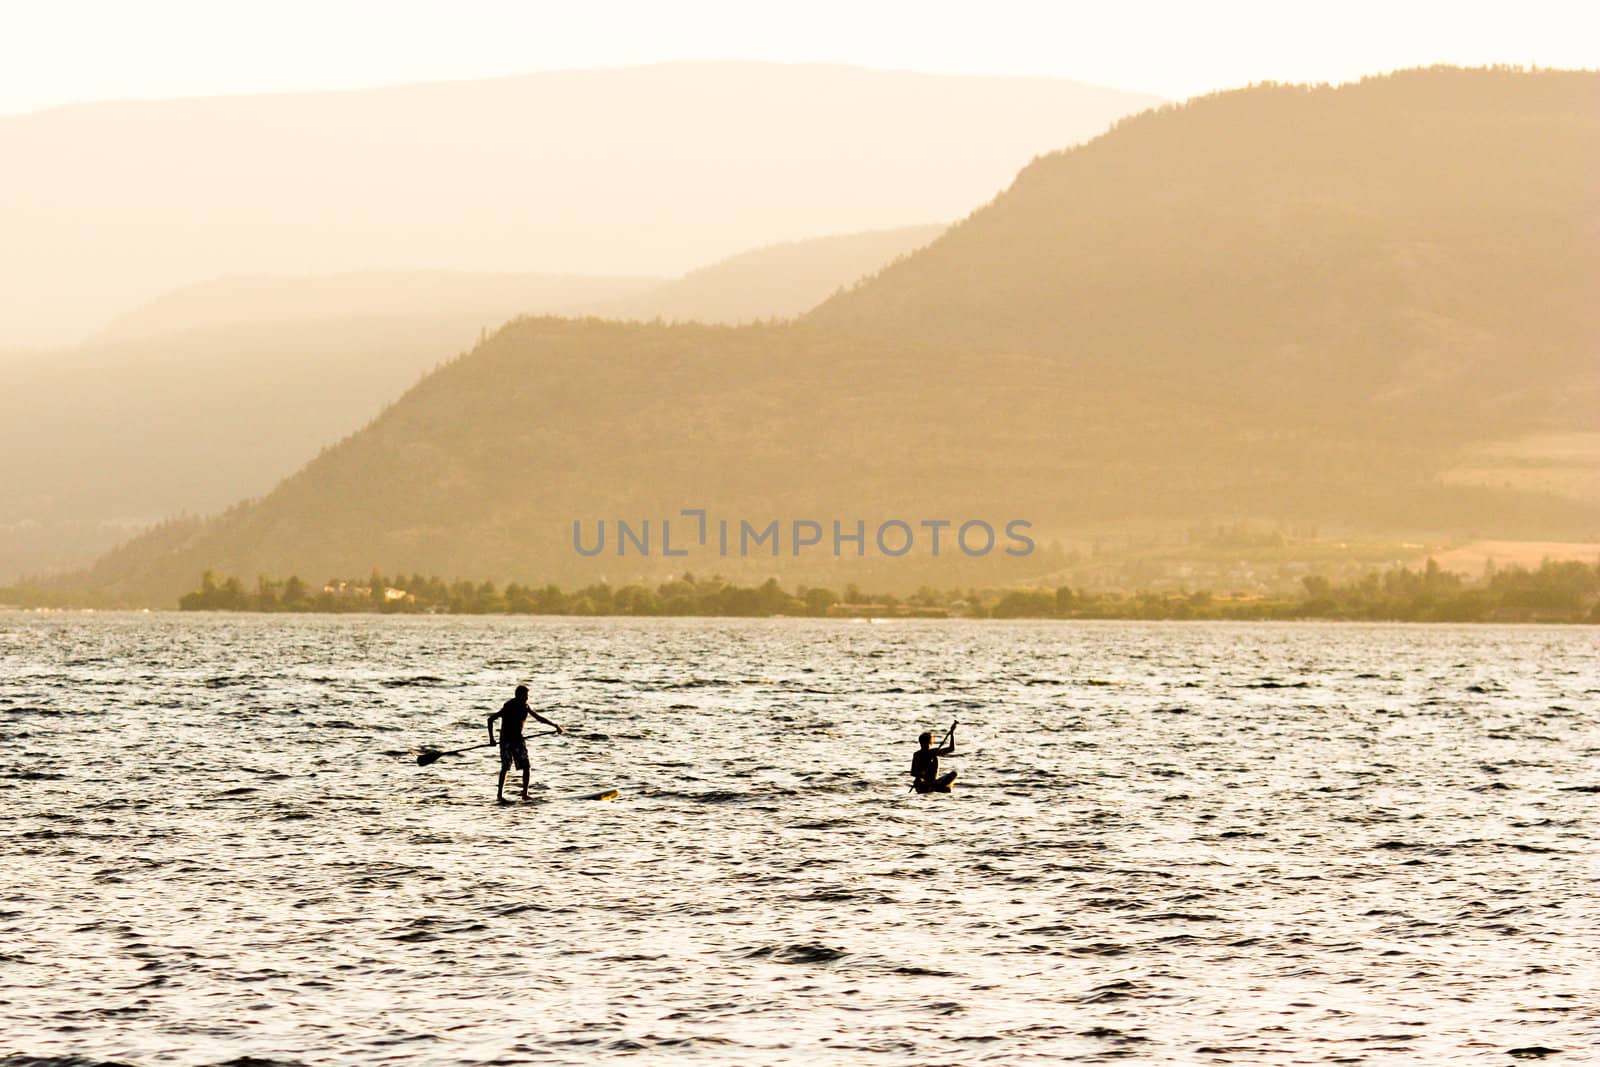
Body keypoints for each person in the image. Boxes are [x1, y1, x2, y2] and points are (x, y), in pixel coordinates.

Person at [487, 684, 563, 802]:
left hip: (518, 740)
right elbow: (490, 719)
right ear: (518, 696)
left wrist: (554, 726)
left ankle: (524, 794)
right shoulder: (509, 706)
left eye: (527, 696)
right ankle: (499, 796)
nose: (527, 698)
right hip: (506, 741)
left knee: (526, 766)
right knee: (505, 767)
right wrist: (491, 739)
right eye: (525, 696)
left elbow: (539, 718)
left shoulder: (525, 706)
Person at [911, 724, 957, 793]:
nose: (926, 745)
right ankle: (934, 787)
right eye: (924, 743)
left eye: (927, 743)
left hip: (934, 782)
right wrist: (922, 774)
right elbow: (913, 773)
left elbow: (951, 749)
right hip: (923, 783)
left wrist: (952, 734)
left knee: (953, 774)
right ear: (921, 743)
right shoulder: (917, 755)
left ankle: (935, 786)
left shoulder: (933, 752)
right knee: (919, 780)